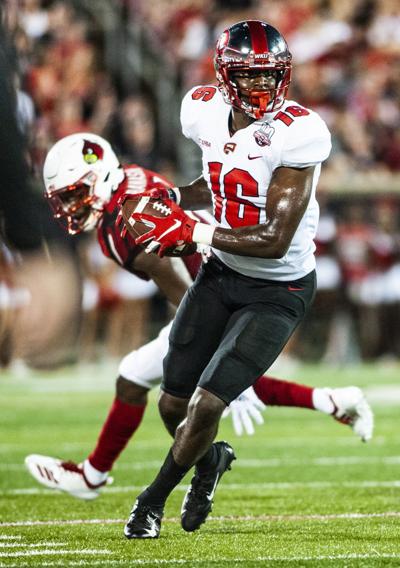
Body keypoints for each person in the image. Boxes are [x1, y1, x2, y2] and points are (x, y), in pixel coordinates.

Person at [25, 132, 373, 502]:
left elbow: (178, 285)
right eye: (66, 198)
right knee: (136, 377)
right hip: (223, 278)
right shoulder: (130, 179)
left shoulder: (120, 225)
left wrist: (210, 341)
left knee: (200, 387)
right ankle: (332, 400)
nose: (71, 207)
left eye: (76, 194)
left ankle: (149, 470)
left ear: (100, 178)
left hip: (216, 291)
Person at [121, 20, 355, 539]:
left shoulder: (300, 130)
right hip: (222, 273)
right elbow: (223, 178)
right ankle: (210, 461)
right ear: (225, 77)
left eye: (271, 76)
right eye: (249, 77)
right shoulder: (201, 108)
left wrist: (191, 231)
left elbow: (273, 238)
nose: (262, 88)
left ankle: (150, 502)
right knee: (172, 403)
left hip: (279, 289)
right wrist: (177, 200)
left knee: (207, 402)